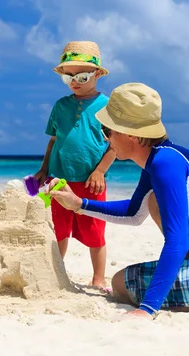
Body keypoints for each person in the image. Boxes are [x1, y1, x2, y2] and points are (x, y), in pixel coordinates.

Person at [46, 82, 189, 317]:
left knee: (120, 284)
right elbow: (133, 213)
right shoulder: (163, 158)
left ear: (131, 135)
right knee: (154, 202)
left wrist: (148, 309)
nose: (107, 140)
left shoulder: (163, 165)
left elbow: (178, 243)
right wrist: (79, 204)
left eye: (107, 131)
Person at [33, 40, 117, 289]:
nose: (74, 82)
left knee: (95, 232)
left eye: (81, 76)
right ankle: (55, 273)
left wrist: (100, 171)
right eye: (68, 77)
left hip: (92, 182)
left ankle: (98, 278)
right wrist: (44, 170)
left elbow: (115, 145)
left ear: (98, 74)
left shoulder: (107, 106)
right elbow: (53, 141)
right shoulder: (60, 106)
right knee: (57, 230)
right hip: (59, 180)